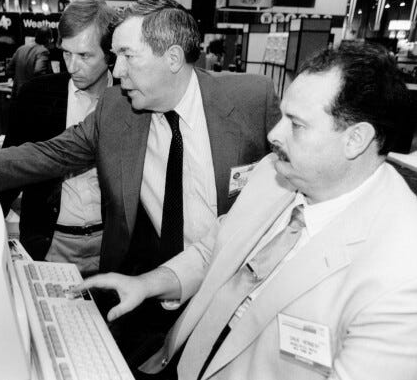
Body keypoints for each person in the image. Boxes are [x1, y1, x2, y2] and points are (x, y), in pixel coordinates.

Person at [0, 0, 279, 366]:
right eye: (114, 57)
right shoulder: (117, 110)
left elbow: (292, 194)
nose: (118, 70)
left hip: (239, 296)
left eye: (127, 56)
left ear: (172, 58)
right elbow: (46, 154)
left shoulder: (251, 100)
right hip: (156, 290)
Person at [80, 42, 417, 380]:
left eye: (296, 124)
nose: (274, 134)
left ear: (356, 139)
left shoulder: (401, 276)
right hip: (175, 360)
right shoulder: (275, 172)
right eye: (282, 115)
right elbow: (217, 247)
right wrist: (149, 283)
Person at [0, 0, 116, 275]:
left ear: (109, 53)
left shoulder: (131, 97)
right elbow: (10, 170)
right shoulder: (35, 97)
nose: (72, 66)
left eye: (85, 55)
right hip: (50, 246)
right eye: (66, 53)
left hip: (112, 248)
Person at [7, 26, 53, 97]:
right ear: (48, 39)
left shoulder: (21, 49)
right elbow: (39, 71)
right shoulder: (43, 51)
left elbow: (9, 69)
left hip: (17, 95)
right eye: (51, 39)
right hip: (32, 96)